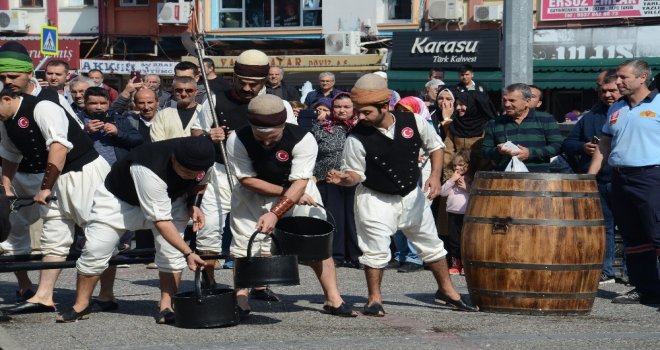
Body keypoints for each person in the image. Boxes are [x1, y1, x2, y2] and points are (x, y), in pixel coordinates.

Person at [326, 73, 478, 315]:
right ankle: (374, 299)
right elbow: (355, 174)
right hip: (374, 198)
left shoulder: (414, 121)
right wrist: (346, 178)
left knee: (432, 245)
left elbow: (436, 146)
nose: (361, 117)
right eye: (359, 112)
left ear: (384, 106)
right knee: (375, 250)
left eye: (366, 112)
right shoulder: (356, 138)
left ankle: (448, 292)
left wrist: (435, 176)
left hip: (411, 194)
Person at [56, 137, 214, 323]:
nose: (189, 176)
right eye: (186, 171)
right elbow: (161, 221)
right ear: (173, 159)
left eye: (195, 172)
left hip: (171, 199)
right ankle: (82, 305)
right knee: (96, 250)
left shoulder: (204, 163)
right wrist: (188, 252)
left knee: (171, 254)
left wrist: (193, 204)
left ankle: (166, 305)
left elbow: (200, 185)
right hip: (119, 201)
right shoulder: (148, 167)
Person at [226, 94, 356, 317]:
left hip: (298, 188)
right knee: (243, 246)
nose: (266, 143)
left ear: (283, 124)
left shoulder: (303, 139)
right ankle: (241, 300)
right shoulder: (236, 139)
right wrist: (286, 197)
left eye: (272, 137)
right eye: (260, 136)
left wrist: (277, 211)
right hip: (252, 195)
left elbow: (300, 183)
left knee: (317, 242)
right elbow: (246, 179)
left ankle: (333, 298)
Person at [0, 41, 99, 310]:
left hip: (73, 171)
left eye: (12, 76)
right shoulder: (5, 103)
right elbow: (8, 150)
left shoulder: (48, 100)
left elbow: (63, 142)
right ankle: (38, 293)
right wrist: (6, 186)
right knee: (39, 234)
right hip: (30, 173)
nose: (6, 82)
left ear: (29, 73)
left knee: (97, 229)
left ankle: (104, 294)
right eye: (2, 77)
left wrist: (47, 185)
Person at [588, 59, 660, 305]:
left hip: (651, 177)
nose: (617, 82)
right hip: (620, 178)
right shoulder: (616, 108)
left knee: (657, 234)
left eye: (623, 77)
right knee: (633, 238)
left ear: (642, 78)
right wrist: (590, 176)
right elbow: (605, 144)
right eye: (617, 77)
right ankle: (646, 289)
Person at [563, 70, 621, 284]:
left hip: (621, 177)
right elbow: (568, 143)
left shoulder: (628, 112)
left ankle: (631, 272)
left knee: (629, 227)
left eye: (612, 90)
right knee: (604, 226)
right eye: (603, 91)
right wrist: (582, 147)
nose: (607, 95)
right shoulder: (590, 117)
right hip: (598, 179)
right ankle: (607, 270)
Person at [310, 92, 361, 268]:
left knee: (355, 217)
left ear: (353, 108)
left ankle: (356, 255)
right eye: (338, 107)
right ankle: (336, 255)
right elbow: (310, 152)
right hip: (328, 179)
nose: (342, 110)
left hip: (356, 179)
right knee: (335, 218)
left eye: (346, 107)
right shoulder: (320, 127)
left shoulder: (361, 127)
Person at [481, 83, 563, 172]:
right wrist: (498, 151)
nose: (507, 104)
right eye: (504, 100)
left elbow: (558, 146)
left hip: (538, 178)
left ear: (527, 102)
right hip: (505, 179)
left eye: (512, 100)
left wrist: (530, 153)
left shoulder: (545, 119)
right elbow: (484, 151)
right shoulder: (494, 123)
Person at [81, 87, 145, 165]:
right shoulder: (78, 119)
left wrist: (118, 133)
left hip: (117, 169)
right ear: (85, 103)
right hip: (90, 170)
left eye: (103, 103)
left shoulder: (117, 118)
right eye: (93, 103)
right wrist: (86, 132)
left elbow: (138, 139)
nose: (99, 107)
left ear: (109, 103)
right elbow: (69, 145)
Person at [440, 150, 472, 275]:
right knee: (454, 239)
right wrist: (451, 180)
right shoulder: (451, 179)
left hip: (466, 213)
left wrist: (466, 187)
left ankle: (465, 263)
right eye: (454, 166)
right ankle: (455, 263)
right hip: (453, 212)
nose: (457, 168)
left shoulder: (470, 178)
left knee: (465, 239)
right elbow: (443, 193)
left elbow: (475, 193)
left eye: (460, 165)